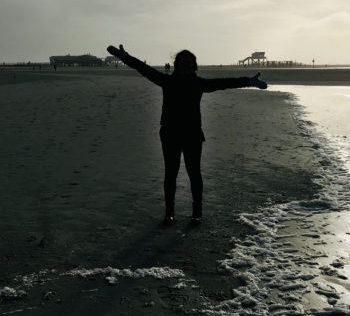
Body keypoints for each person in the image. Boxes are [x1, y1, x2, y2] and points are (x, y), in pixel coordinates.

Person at [106, 44, 267, 225]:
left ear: (195, 66)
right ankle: (169, 213)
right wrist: (124, 56)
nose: (187, 66)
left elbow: (223, 83)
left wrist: (249, 81)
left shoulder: (198, 83)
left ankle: (197, 212)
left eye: (190, 63)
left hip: (192, 135)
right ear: (177, 64)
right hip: (170, 134)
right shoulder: (167, 81)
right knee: (171, 174)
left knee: (194, 174)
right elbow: (143, 68)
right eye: (183, 63)